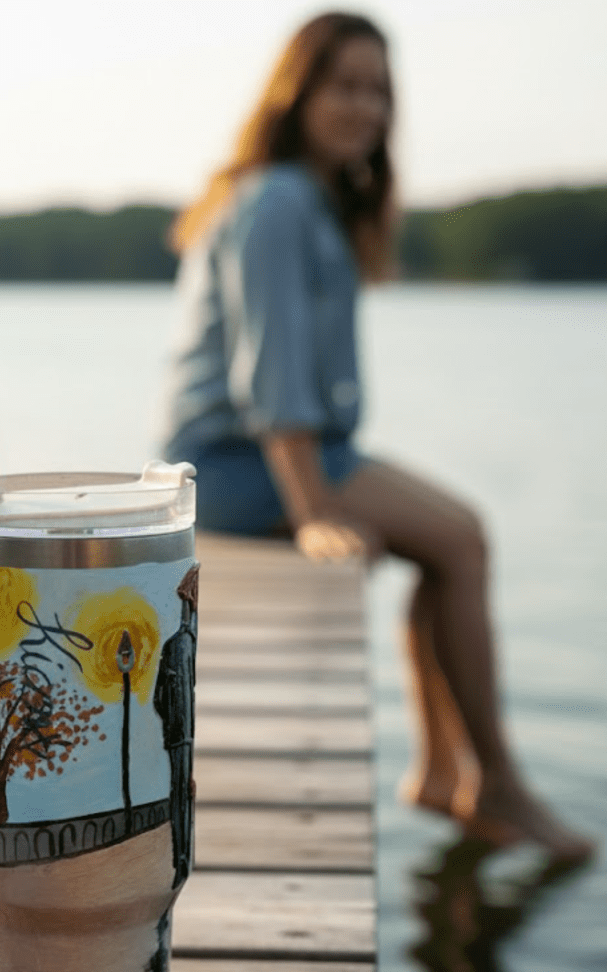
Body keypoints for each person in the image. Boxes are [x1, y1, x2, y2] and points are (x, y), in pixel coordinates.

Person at [161, 11, 594, 861]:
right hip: (241, 461)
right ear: (299, 94)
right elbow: (272, 377)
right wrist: (314, 511)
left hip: (285, 449)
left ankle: (443, 772)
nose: (366, 107)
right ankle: (494, 782)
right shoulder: (279, 201)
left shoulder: (310, 200)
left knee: (449, 542)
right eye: (346, 86)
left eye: (380, 92)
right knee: (462, 538)